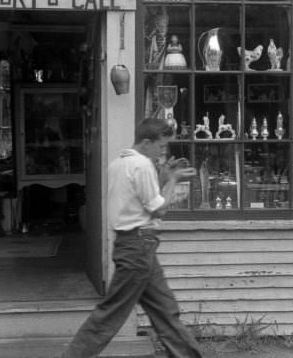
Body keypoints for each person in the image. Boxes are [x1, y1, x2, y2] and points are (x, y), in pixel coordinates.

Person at [63, 118, 202, 358]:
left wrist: (163, 176)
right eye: (161, 146)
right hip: (138, 247)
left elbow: (140, 199)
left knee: (165, 310)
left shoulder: (119, 163)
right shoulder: (142, 164)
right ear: (146, 142)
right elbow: (159, 209)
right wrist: (172, 180)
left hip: (135, 245)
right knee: (111, 312)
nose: (163, 152)